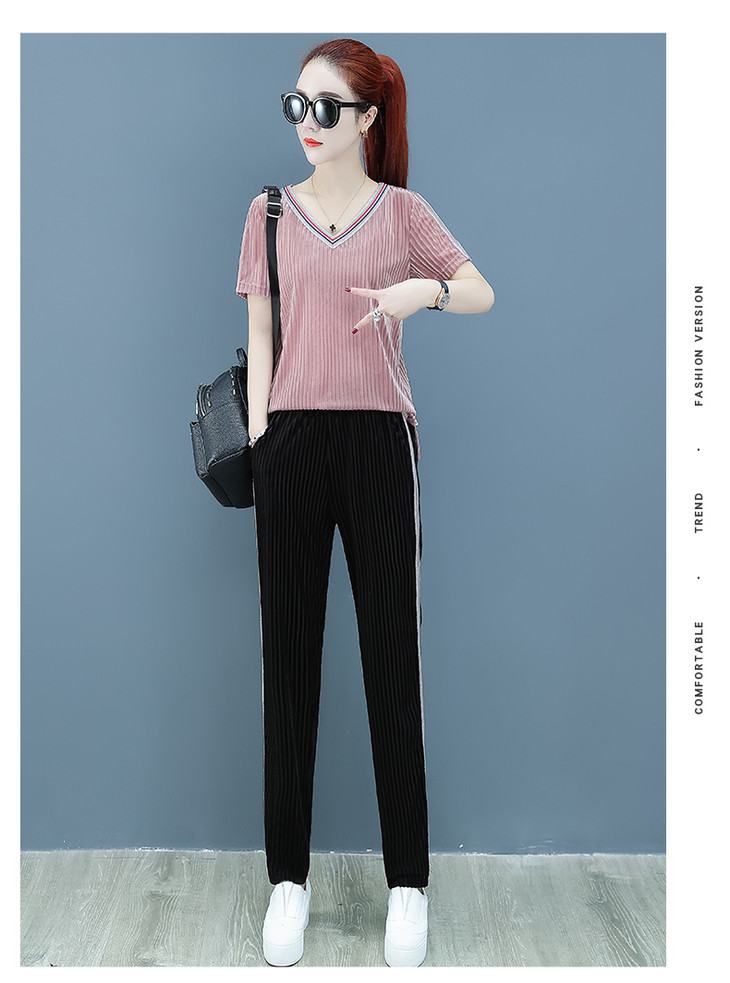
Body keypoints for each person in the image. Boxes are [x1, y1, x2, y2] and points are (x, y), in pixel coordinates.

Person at [235, 38, 494, 968]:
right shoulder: (268, 212)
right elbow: (260, 332)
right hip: (293, 444)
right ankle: (288, 881)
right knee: (287, 664)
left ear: (368, 118)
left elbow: (481, 291)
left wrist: (423, 291)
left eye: (328, 108)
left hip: (382, 444)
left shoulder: (404, 213)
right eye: (297, 105)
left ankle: (408, 885)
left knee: (393, 660)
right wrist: (265, 444)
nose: (309, 124)